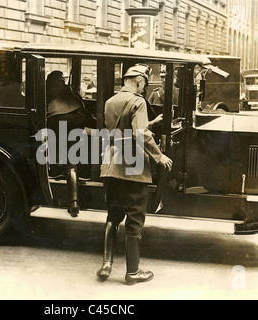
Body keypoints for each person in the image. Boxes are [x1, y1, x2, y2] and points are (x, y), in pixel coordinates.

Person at [97, 63, 173, 285]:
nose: (143, 90)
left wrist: (150, 122)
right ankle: (132, 272)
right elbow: (140, 135)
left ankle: (106, 264)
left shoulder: (111, 101)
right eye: (143, 86)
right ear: (139, 82)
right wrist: (159, 157)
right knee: (135, 217)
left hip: (111, 163)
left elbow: (121, 131)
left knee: (113, 213)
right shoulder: (138, 101)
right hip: (132, 165)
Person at [46, 70, 89, 217]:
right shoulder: (66, 91)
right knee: (72, 161)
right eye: (61, 80)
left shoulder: (46, 91)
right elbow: (81, 111)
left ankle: (57, 169)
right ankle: (74, 202)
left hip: (54, 123)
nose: (63, 82)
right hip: (73, 122)